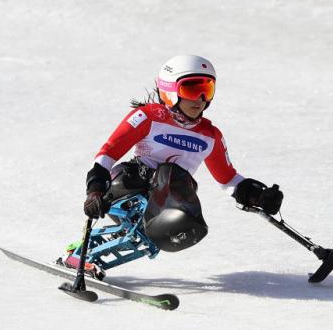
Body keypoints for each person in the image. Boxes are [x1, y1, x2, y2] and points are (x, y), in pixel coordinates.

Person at [81, 54, 284, 255]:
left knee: (180, 180)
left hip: (168, 200)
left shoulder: (210, 136)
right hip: (126, 188)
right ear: (170, 91)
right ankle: (85, 250)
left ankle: (164, 230)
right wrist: (95, 190)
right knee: (171, 173)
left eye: (207, 90)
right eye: (192, 89)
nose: (201, 99)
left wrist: (258, 196)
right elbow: (108, 153)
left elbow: (228, 179)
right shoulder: (148, 117)